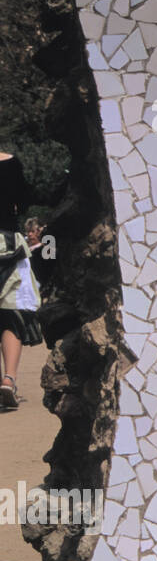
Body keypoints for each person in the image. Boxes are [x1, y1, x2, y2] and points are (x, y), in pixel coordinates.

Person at [0, 151, 41, 408]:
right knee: (11, 314)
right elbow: (23, 201)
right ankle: (8, 379)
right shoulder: (11, 163)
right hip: (7, 243)